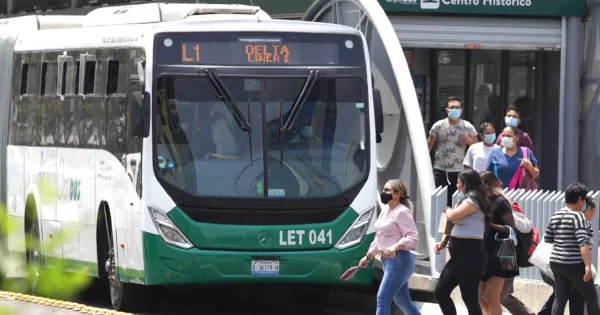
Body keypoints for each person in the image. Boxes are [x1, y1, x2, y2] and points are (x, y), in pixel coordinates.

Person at [433, 169, 491, 315]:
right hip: (458, 256)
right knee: (441, 291)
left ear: (466, 184)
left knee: (469, 298)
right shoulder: (464, 200)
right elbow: (453, 225)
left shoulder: (474, 202)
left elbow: (452, 216)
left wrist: (447, 210)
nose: (456, 184)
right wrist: (443, 242)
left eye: (459, 182)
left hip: (470, 255)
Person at [359, 179, 421, 315]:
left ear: (397, 194)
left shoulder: (402, 212)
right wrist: (368, 256)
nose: (383, 192)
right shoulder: (386, 209)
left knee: (382, 299)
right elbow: (380, 237)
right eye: (383, 190)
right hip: (389, 261)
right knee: (403, 302)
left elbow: (412, 237)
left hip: (399, 261)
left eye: (387, 190)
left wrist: (395, 247)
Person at [544, 182, 600, 315]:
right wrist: (587, 265)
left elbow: (548, 238)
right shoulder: (578, 216)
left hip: (556, 263)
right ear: (580, 200)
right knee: (591, 298)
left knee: (559, 300)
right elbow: (583, 242)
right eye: (585, 200)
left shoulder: (556, 214)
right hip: (574, 263)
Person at [478, 172, 518, 315]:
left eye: (479, 184)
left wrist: (491, 225)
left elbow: (510, 229)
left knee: (491, 296)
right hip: (484, 253)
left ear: (487, 185)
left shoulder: (501, 202)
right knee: (478, 295)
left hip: (499, 255)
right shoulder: (482, 202)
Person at [428, 97, 478, 206]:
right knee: (438, 200)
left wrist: (468, 141)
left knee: (455, 200)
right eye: (452, 107)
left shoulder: (467, 126)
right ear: (446, 110)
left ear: (461, 110)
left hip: (458, 170)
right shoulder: (438, 125)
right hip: (440, 168)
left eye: (457, 107)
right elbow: (429, 146)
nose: (454, 109)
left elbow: (478, 147)